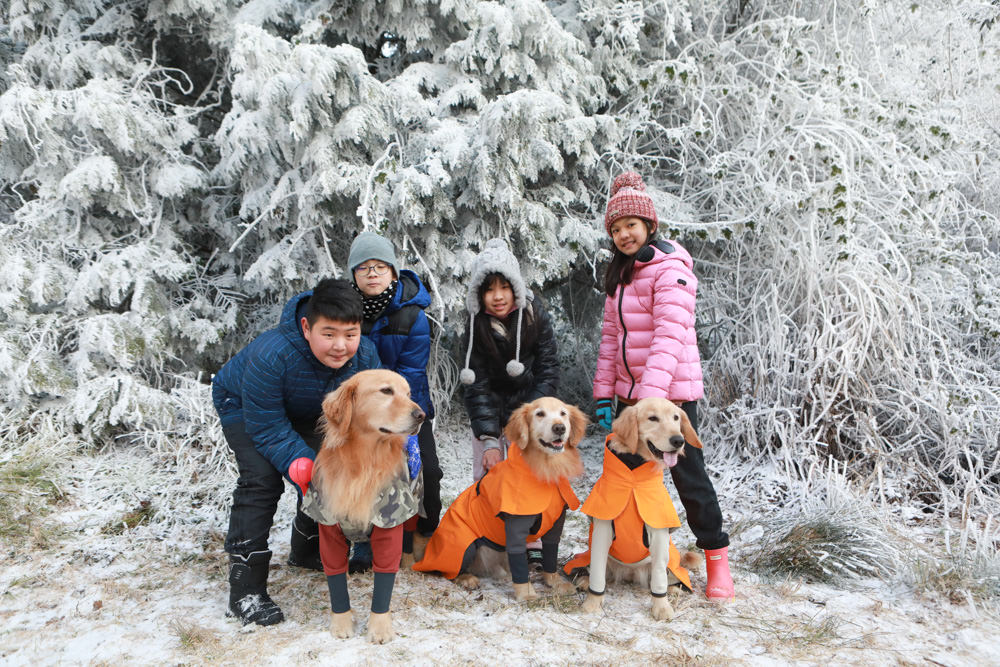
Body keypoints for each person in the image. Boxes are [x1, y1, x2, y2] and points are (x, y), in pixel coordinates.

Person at [592, 171, 735, 600]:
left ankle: (716, 560)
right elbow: (610, 341)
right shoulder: (620, 277)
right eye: (615, 229)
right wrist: (604, 392)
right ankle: (623, 555)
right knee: (624, 479)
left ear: (649, 226)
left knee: (689, 478)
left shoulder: (671, 268)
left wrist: (646, 399)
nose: (623, 235)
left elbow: (669, 336)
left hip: (669, 398)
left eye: (630, 226)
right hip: (631, 400)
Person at [211, 278, 380, 625]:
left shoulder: (366, 355)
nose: (340, 346)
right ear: (306, 327)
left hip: (309, 409)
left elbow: (365, 413)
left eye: (350, 334)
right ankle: (245, 590)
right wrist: (299, 463)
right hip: (245, 406)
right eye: (329, 334)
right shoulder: (271, 354)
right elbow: (267, 426)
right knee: (262, 480)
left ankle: (306, 550)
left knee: (329, 466)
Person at [345, 231, 442, 568]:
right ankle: (363, 539)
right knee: (358, 471)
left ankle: (426, 533)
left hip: (405, 405)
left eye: (380, 266)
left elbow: (410, 374)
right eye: (364, 267)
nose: (372, 273)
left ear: (393, 272)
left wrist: (398, 422)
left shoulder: (413, 315)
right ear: (354, 274)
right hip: (363, 412)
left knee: (426, 470)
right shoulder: (346, 311)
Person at [458, 238, 560, 482]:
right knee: (489, 476)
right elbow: (476, 385)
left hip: (529, 408)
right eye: (489, 289)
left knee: (529, 478)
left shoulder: (535, 317)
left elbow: (548, 371)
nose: (498, 296)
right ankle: (488, 517)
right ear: (479, 294)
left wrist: (528, 420)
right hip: (489, 411)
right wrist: (490, 439)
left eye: (504, 287)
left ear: (515, 287)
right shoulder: (475, 326)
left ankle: (531, 519)